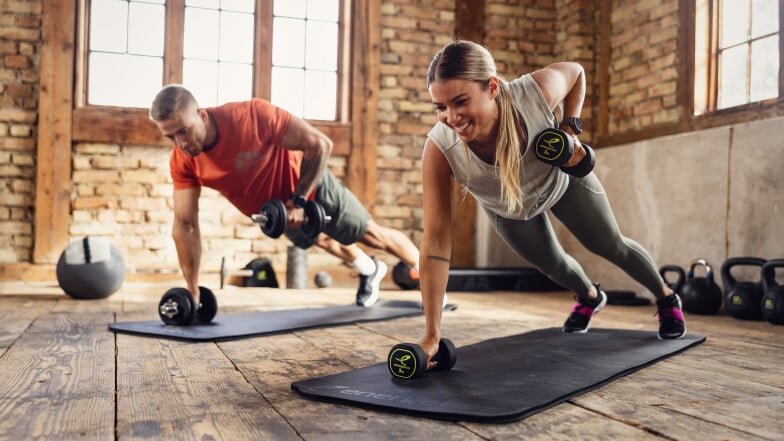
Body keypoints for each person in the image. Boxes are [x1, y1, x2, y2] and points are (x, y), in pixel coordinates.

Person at [416, 40, 686, 368]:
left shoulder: (533, 93)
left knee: (610, 245)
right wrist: (432, 334)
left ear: (492, 87)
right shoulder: (440, 149)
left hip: (562, 182)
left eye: (460, 101)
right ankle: (590, 297)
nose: (451, 117)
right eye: (440, 107)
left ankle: (666, 297)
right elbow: (436, 241)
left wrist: (570, 128)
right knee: (553, 265)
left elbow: (576, 72)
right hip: (508, 207)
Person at [149, 85, 421, 308]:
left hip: (309, 185)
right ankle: (369, 269)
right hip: (277, 211)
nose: (181, 143)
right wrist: (192, 289)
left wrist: (299, 200)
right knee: (323, 239)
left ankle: (432, 281)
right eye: (170, 136)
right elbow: (185, 224)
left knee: (371, 235)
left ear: (201, 115)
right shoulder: (182, 161)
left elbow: (320, 144)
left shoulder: (251, 116)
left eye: (184, 131)